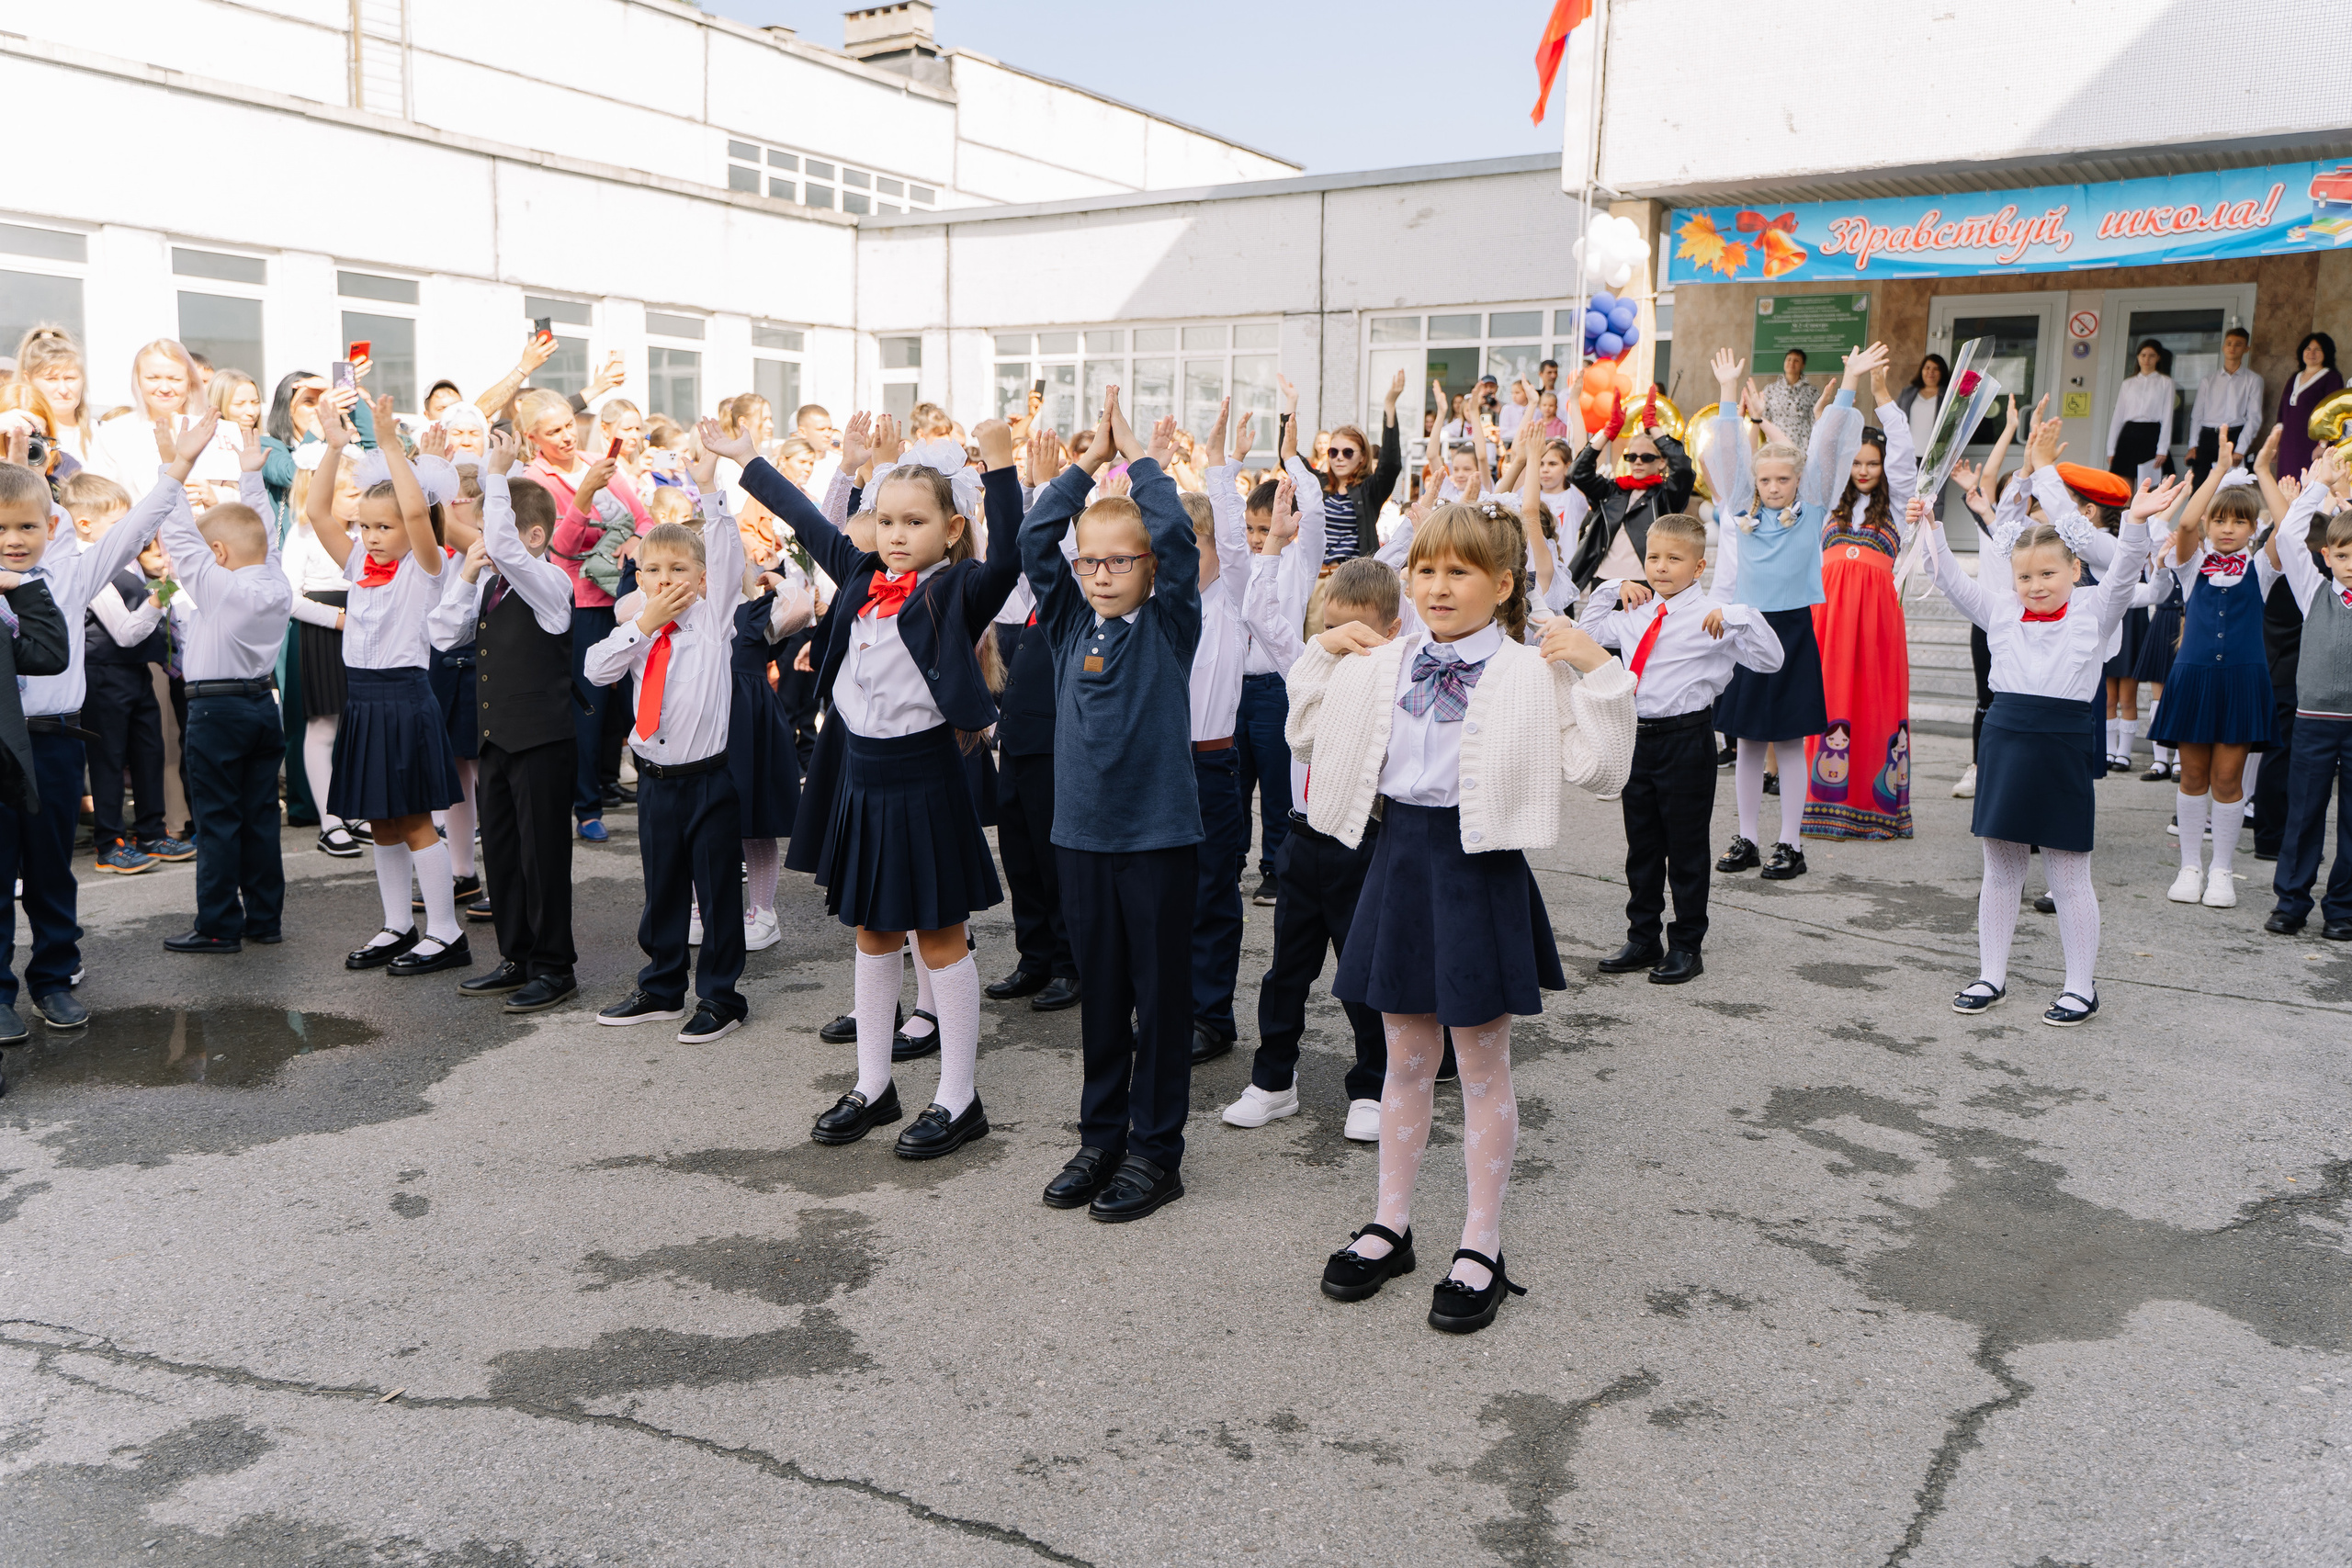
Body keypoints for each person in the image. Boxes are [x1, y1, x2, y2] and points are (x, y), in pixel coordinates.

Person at [1290, 502, 1633, 1333]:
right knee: (1405, 1059)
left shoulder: (1528, 669)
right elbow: (1307, 738)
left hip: (1478, 872)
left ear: (1504, 583)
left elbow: (1601, 771)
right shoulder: (1383, 663)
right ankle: (1391, 1223)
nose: (1437, 587)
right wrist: (1319, 654)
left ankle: (1482, 1240)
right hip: (1399, 864)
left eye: (1460, 571)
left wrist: (1602, 671)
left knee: (1480, 1066)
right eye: (1426, 570)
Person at [728, 413, 1023, 1153]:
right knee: (871, 930)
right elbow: (802, 518)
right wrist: (750, 460)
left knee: (940, 934)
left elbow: (1013, 558)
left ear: (951, 530)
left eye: (914, 521)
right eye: (886, 520)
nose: (895, 534)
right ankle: (874, 1084)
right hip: (861, 775)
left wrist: (1003, 466)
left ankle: (959, 1098)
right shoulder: (860, 574)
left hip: (924, 777)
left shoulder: (957, 590)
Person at [1023, 388, 1202, 1224]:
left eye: (1118, 561)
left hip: (1159, 839)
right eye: (1089, 560)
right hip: (1082, 840)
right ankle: (1102, 1136)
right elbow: (1033, 539)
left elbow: (1170, 529)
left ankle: (1154, 1151)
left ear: (1149, 569)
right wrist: (1084, 466)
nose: (1100, 574)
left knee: (1160, 996)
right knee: (1102, 992)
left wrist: (1138, 459)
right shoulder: (1064, 624)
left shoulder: (1168, 625)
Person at [1921, 468, 2178, 1026]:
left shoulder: (2095, 609)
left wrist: (2135, 522)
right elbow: (1948, 578)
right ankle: (1992, 974)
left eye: (2048, 573)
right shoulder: (2001, 610)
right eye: (2024, 576)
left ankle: (2080, 987)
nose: (2036, 585)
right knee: (2001, 867)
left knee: (2067, 872)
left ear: (2074, 570)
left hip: (2061, 741)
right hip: (2005, 739)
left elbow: (2126, 573)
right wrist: (1931, 526)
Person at [4, 415, 193, 1035]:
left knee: (53, 867)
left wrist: (176, 473)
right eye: (2, 526)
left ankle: (54, 978)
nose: (14, 538)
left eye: (28, 525)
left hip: (56, 741)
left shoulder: (71, 574)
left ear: (53, 527)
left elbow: (133, 526)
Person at [585, 420, 756, 1046]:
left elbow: (726, 547)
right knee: (661, 889)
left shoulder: (712, 622)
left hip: (708, 780)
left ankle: (720, 996)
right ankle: (660, 986)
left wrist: (710, 487)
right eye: (652, 569)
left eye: (678, 568)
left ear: (702, 579)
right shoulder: (639, 636)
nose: (664, 579)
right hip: (656, 781)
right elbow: (594, 669)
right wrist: (640, 624)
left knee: (715, 893)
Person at [1224, 521, 1396, 1140]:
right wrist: (1272, 550)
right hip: (1303, 842)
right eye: (1331, 629)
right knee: (1286, 972)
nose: (1344, 642)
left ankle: (1374, 1086)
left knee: (1362, 974)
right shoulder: (1305, 667)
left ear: (1392, 632)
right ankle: (1273, 1081)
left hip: (1363, 842)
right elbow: (1259, 609)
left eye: (1360, 632)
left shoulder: (1396, 683)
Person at [1582, 513, 1783, 984]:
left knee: (1686, 847)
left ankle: (1687, 943)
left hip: (1686, 738)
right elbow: (1589, 633)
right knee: (1643, 846)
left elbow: (1772, 661)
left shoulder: (1712, 616)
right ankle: (1643, 936)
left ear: (1698, 567)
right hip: (1638, 736)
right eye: (1653, 557)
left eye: (1674, 559)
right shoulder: (1635, 612)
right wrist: (1610, 590)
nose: (1661, 567)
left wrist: (1739, 616)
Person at [311, 394, 469, 977]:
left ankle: (447, 932)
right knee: (380, 820)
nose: (372, 536)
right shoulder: (358, 563)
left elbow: (414, 508)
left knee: (412, 821)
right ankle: (397, 923)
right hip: (363, 700)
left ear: (415, 524)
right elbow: (319, 513)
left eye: (386, 526)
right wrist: (333, 449)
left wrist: (390, 446)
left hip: (405, 698)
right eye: (367, 526)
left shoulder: (427, 567)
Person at [1705, 344, 1874, 881]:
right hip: (1749, 630)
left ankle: (1790, 842)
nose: (1774, 487)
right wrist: (1729, 394)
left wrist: (1849, 380)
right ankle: (1748, 837)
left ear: (1799, 482)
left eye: (1783, 480)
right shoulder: (1739, 507)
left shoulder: (1815, 505)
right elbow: (1730, 450)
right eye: (1766, 481)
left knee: (1789, 740)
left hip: (1794, 628)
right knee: (1748, 739)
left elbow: (1828, 446)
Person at [429, 433, 582, 1012]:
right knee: (504, 851)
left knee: (544, 856)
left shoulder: (550, 583)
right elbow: (443, 635)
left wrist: (494, 474)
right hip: (497, 739)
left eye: (503, 531)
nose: (492, 544)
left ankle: (554, 966)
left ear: (533, 537)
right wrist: (465, 576)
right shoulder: (491, 583)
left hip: (543, 739)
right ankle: (517, 955)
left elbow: (510, 551)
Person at [152, 423, 292, 953]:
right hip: (261, 707)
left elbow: (183, 538)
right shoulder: (274, 579)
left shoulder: (221, 585)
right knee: (258, 819)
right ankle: (264, 919)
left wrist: (174, 466)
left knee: (218, 821)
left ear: (219, 552)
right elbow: (268, 537)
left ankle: (216, 925)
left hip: (217, 713)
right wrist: (251, 477)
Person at [2146, 456, 2280, 908]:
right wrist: (2217, 473)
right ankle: (2190, 866)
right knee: (2193, 776)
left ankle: (2222, 870)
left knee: (2228, 780)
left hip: (2242, 682)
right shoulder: (2192, 564)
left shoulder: (2261, 567)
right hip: (2194, 679)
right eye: (2218, 520)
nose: (2227, 529)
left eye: (2238, 522)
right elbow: (2185, 524)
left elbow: (2289, 532)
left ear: (2252, 528)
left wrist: (2263, 474)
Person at [986, 423, 1083, 1015]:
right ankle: (1035, 955)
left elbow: (1053, 550)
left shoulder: (1074, 583)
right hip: (1016, 730)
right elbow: (1016, 546)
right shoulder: (1019, 589)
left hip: (1054, 734)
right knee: (1019, 851)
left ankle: (1071, 963)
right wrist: (1025, 487)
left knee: (1052, 856)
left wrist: (1052, 486)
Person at [1804, 358, 1919, 840]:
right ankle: (1823, 806)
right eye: (1858, 462)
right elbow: (1821, 457)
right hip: (1828, 617)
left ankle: (1875, 810)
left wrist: (1884, 395)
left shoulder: (1897, 505)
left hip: (1876, 623)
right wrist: (1828, 418)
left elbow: (1905, 456)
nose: (1865, 470)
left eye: (1872, 463)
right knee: (1826, 700)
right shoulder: (1831, 501)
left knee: (1874, 703)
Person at [1182, 402, 1260, 1066]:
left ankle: (1211, 1014)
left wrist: (1217, 469)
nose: (1183, 559)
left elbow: (1235, 544)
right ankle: (1170, 1003)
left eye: (1194, 544)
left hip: (1212, 766)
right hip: (1156, 767)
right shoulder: (1153, 606)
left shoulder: (1231, 598)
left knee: (1211, 891)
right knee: (1162, 893)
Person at [59, 470, 185, 874]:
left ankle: (151, 832)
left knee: (149, 751)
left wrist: (161, 588)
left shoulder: (125, 565)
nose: (128, 537)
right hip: (103, 675)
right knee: (109, 759)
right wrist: (161, 595)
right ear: (84, 524)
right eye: (118, 526)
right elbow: (126, 633)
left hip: (135, 673)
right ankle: (110, 843)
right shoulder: (84, 566)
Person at [1235, 395, 1327, 903]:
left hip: (1276, 685)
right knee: (1233, 783)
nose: (1255, 538)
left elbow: (1313, 513)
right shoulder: (1238, 562)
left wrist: (1292, 458)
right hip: (1234, 687)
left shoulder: (1298, 558)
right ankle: (1231, 860)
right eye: (1250, 528)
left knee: (1276, 781)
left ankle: (1275, 867)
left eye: (1265, 529)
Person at [2260, 451, 2352, 941]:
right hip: (2315, 721)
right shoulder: (2311, 590)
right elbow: (2291, 535)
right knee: (2304, 814)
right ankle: (2291, 902)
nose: (2349, 565)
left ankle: (2343, 909)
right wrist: (2319, 486)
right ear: (2327, 557)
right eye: (2342, 556)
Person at [1565, 392, 1693, 598]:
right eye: (1631, 457)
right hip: (1605, 582)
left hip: (1645, 583)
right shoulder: (1612, 490)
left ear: (1661, 462)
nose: (1638, 462)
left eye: (1647, 457)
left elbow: (1684, 469)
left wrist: (1653, 427)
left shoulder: (1666, 495)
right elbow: (1577, 473)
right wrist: (1608, 431)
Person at [1311, 371, 1405, 564]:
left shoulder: (1369, 490)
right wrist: (1290, 405)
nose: (1339, 458)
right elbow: (1290, 460)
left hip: (1354, 581)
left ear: (1362, 457)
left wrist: (1389, 407)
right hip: (1319, 579)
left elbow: (1390, 464)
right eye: (1333, 452)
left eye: (1347, 452)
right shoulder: (1320, 484)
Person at [86, 340, 205, 490]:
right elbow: (100, 496)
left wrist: (214, 495)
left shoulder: (214, 431)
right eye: (153, 378)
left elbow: (238, 491)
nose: (165, 388)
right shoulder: (113, 434)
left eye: (174, 379)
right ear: (138, 381)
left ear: (190, 382)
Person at [2189, 328, 2264, 487]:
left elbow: (2254, 417)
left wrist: (2241, 448)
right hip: (2208, 436)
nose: (2232, 348)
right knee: (2200, 485)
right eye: (2229, 344)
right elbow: (2197, 415)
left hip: (2235, 435)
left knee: (2231, 488)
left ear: (2246, 349)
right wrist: (2193, 445)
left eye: (2238, 344)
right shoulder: (2208, 380)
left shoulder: (2253, 380)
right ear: (2223, 347)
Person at [14, 326, 95, 466]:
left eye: (70, 378)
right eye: (51, 379)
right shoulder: (15, 437)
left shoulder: (104, 434)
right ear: (28, 379)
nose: (63, 390)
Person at [2274, 333, 2342, 483]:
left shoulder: (2331, 378)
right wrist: (2274, 444)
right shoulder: (2294, 378)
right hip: (2289, 444)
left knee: (2309, 483)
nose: (2311, 353)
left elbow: (2333, 412)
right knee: (2287, 484)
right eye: (2308, 348)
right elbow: (2282, 415)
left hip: (2313, 445)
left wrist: (2323, 444)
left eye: (2317, 349)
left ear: (2326, 353)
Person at [2108, 339, 2177, 483]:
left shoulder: (2166, 382)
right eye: (2143, 355)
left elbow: (2167, 417)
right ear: (2138, 357)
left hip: (2152, 433)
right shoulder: (2128, 383)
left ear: (2158, 358)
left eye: (2152, 355)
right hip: (2129, 434)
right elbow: (2118, 417)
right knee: (2124, 486)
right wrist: (2111, 449)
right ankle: (2127, 507)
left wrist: (2162, 449)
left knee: (2150, 486)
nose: (2147, 359)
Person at [1758, 348, 1818, 457]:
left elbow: (1815, 420)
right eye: (1789, 359)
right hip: (1776, 441)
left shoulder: (1811, 391)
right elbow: (1763, 417)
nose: (1791, 363)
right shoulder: (1771, 389)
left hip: (1802, 443)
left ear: (1803, 365)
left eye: (1796, 361)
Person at [1896, 354, 1950, 465]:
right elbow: (1896, 419)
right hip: (1908, 455)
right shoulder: (1907, 393)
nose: (1931, 372)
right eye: (1927, 368)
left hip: (1934, 456)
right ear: (1921, 370)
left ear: (1942, 372)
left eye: (1936, 369)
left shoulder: (1948, 395)